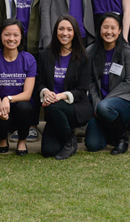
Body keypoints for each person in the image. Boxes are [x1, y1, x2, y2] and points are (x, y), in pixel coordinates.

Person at [35, 16, 94, 159]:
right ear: (56, 32)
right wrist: (46, 91)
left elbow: (82, 90)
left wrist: (60, 96)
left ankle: (69, 142)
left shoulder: (83, 57)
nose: (65, 33)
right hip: (53, 108)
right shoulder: (44, 55)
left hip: (75, 107)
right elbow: (38, 82)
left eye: (69, 29)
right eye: (61, 29)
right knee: (49, 151)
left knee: (52, 106)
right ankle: (69, 135)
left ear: (75, 33)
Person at [85, 14, 130, 154]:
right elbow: (90, 81)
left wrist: (104, 102)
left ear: (120, 30)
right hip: (101, 104)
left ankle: (121, 138)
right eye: (105, 27)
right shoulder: (90, 52)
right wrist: (97, 103)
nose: (109, 31)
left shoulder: (128, 52)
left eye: (113, 28)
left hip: (125, 102)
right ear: (99, 29)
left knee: (105, 107)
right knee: (93, 145)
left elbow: (129, 82)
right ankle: (112, 132)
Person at [0, 19, 37, 155]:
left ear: (21, 37)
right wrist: (2, 106)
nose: (11, 39)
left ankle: (22, 140)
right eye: (7, 34)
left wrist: (7, 99)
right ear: (0, 36)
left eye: (16, 35)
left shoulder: (29, 59)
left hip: (20, 105)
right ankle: (3, 138)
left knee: (25, 108)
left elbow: (27, 94)